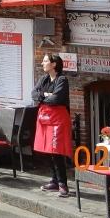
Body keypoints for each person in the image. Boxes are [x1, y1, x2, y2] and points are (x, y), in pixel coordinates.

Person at [32, 53, 74, 197]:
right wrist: (45, 95)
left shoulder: (62, 80)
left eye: (45, 61)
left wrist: (43, 97)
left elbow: (56, 99)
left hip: (58, 120)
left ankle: (63, 184)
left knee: (56, 151)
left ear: (54, 64)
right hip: (45, 119)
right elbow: (34, 93)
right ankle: (54, 181)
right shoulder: (43, 79)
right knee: (46, 149)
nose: (42, 63)